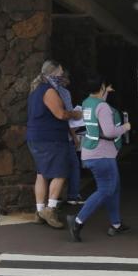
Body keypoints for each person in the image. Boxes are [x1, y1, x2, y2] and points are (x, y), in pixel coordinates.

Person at [68, 74, 131, 241]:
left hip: (90, 151)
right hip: (103, 153)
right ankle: (77, 221)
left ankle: (116, 223)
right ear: (101, 87)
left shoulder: (87, 102)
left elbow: (98, 106)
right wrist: (125, 127)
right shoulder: (103, 107)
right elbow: (110, 132)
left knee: (113, 188)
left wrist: (106, 92)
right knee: (106, 189)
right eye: (104, 87)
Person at [26, 59, 81, 229]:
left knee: (42, 173)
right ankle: (50, 209)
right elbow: (60, 114)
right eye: (60, 72)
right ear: (53, 72)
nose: (61, 75)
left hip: (36, 137)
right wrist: (75, 114)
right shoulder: (49, 91)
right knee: (60, 172)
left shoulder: (36, 89)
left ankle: (39, 210)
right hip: (51, 139)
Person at [58, 71, 85, 206]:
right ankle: (73, 195)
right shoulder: (63, 93)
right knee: (74, 165)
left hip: (51, 135)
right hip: (64, 135)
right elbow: (68, 116)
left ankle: (53, 199)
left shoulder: (45, 91)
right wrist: (74, 136)